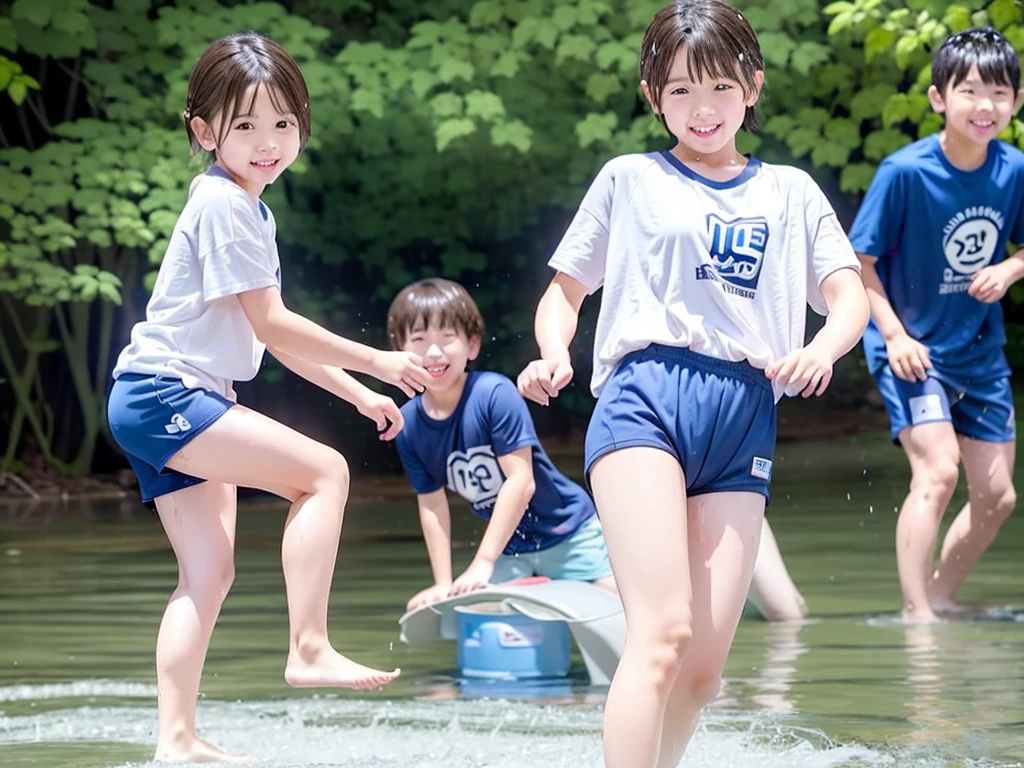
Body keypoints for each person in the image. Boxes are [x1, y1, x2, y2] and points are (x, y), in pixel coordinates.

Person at [515, 2, 869, 765]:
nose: (700, 108)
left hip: (745, 414)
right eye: (678, 91)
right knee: (663, 630)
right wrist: (553, 353)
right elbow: (565, 291)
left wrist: (824, 351)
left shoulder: (793, 192)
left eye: (717, 86)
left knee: (703, 668)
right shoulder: (629, 179)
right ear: (652, 97)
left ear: (753, 86)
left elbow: (849, 298)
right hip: (645, 398)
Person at [106, 33, 432, 763]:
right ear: (204, 130)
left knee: (208, 574)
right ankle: (308, 646)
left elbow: (273, 341)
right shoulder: (225, 204)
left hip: (155, 395)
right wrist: (380, 359)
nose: (267, 142)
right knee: (325, 474)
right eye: (245, 125)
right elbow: (274, 323)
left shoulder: (245, 209)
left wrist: (355, 393)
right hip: (169, 394)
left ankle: (177, 742)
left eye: (283, 123)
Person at [848, 26, 1024, 624]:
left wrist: (1009, 268)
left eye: (999, 93)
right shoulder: (905, 173)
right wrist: (894, 336)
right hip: (912, 348)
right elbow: (857, 266)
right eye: (970, 90)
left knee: (998, 496)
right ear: (938, 99)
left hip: (981, 350)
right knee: (939, 469)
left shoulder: (1015, 169)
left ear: (1016, 104)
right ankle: (916, 615)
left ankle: (943, 596)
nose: (985, 106)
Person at [387, 278, 617, 613]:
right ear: (399, 350)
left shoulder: (494, 394)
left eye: (447, 337)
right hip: (510, 548)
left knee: (618, 607)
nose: (433, 352)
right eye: (419, 340)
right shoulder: (407, 425)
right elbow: (432, 504)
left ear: (473, 345)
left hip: (569, 533)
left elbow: (521, 481)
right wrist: (442, 582)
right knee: (474, 614)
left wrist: (482, 561)